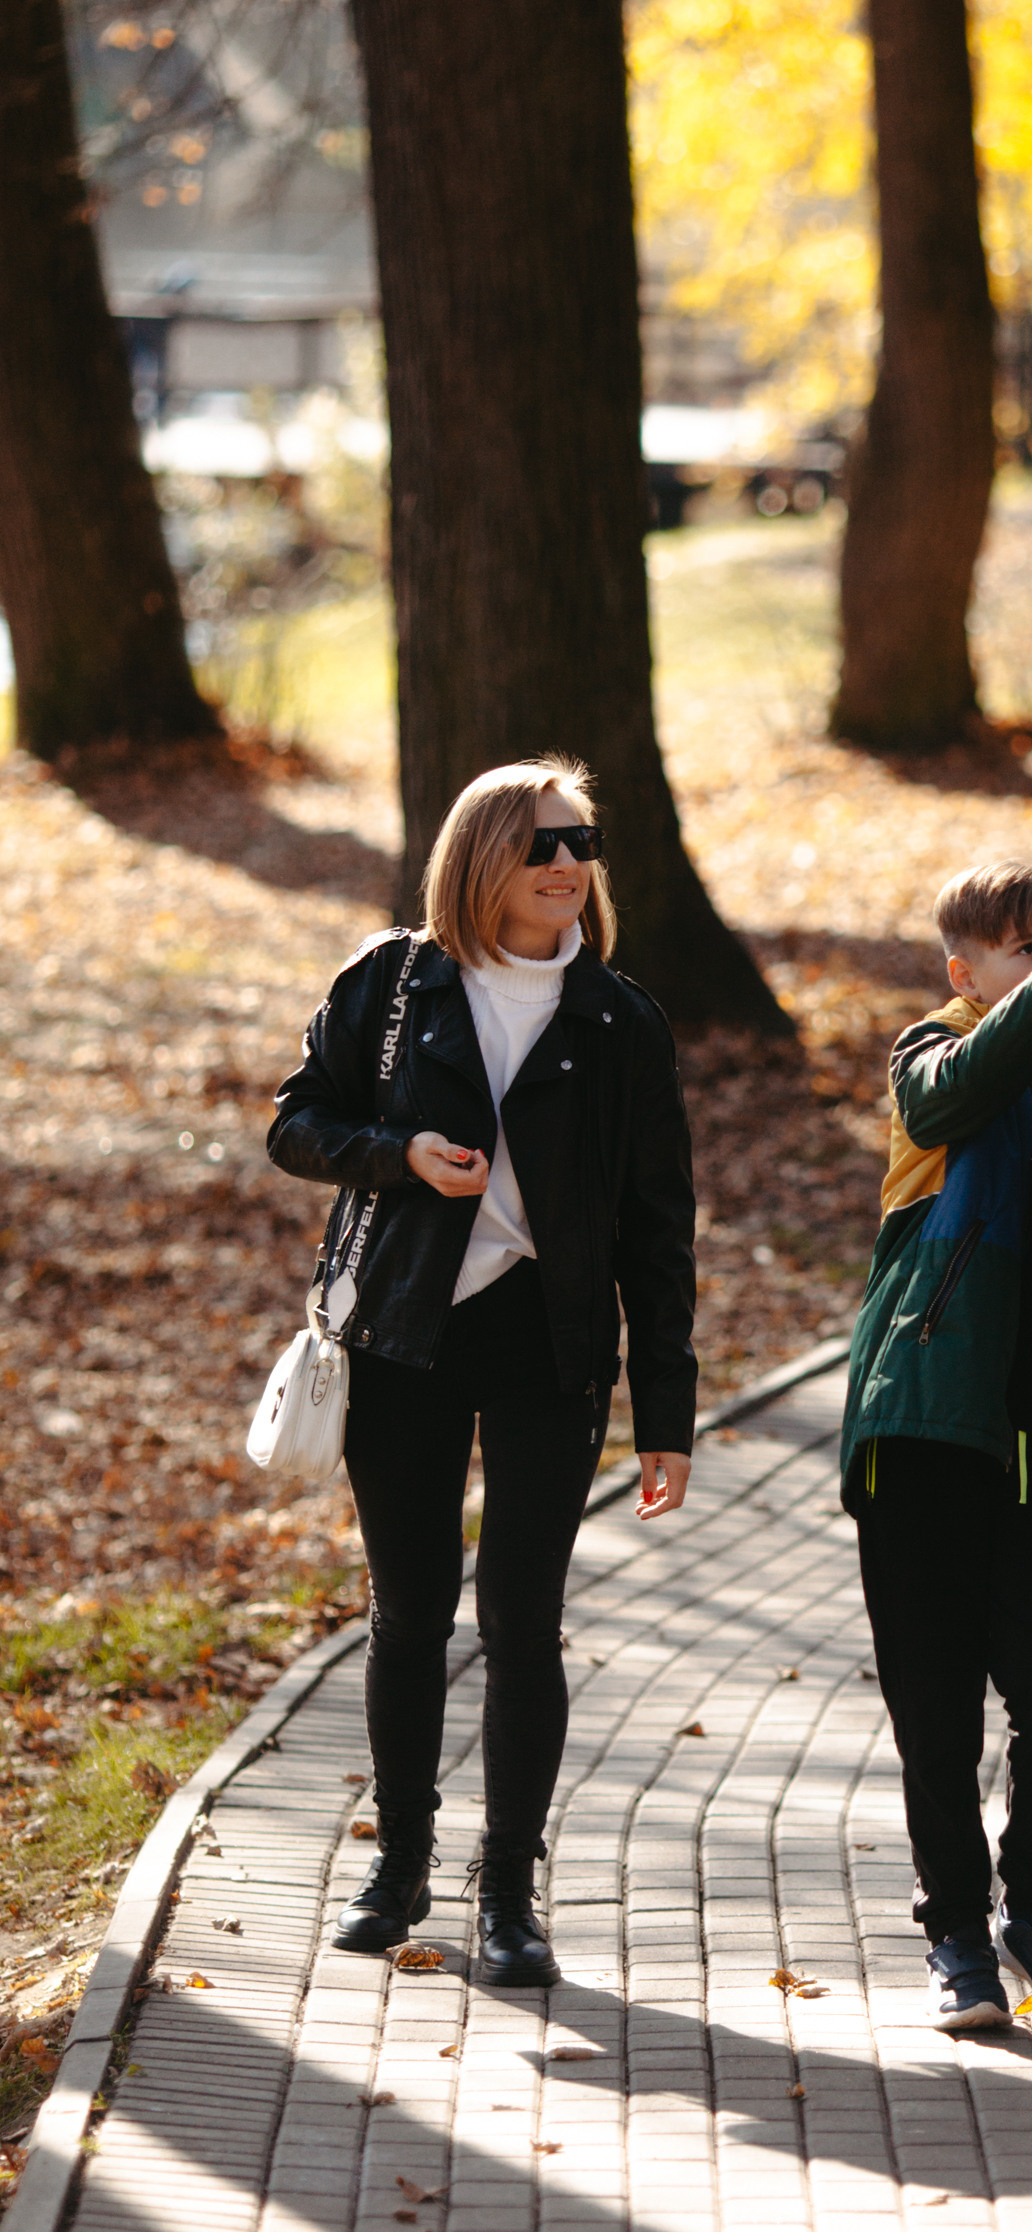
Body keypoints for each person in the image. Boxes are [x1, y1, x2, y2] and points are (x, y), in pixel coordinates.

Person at [269, 758, 697, 1988]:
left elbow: (656, 1228)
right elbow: (296, 1126)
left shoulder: (620, 1021)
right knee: (409, 1614)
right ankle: (398, 1864)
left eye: (584, 843)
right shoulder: (393, 982)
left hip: (548, 1350)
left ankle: (507, 1892)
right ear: (485, 856)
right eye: (544, 843)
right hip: (405, 1334)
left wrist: (663, 1413)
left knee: (525, 1625)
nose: (569, 865)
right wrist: (400, 1155)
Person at [840, 859, 1032, 2031]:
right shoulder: (933, 1052)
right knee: (935, 1699)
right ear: (968, 971)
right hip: (922, 1419)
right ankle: (956, 1932)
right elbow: (944, 1103)